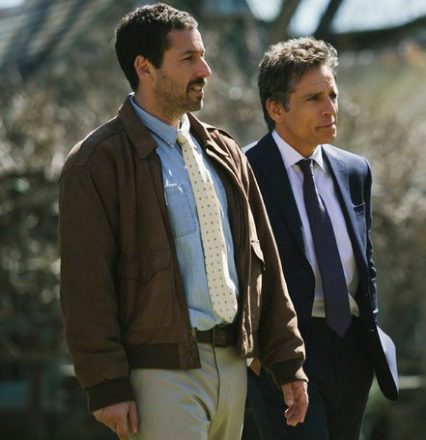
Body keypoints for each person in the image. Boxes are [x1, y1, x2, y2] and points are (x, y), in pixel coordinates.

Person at [58, 4, 308, 439]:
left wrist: (287, 360)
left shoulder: (226, 152)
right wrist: (106, 384)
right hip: (159, 377)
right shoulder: (97, 162)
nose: (205, 70)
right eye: (189, 58)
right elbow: (86, 286)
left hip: (234, 368)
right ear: (145, 68)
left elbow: (263, 260)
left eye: (203, 56)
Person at [244, 37, 399, 439]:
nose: (330, 108)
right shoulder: (244, 172)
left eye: (332, 95)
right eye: (314, 98)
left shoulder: (355, 170)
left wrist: (370, 334)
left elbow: (364, 263)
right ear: (276, 109)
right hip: (284, 352)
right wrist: (262, 356)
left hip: (351, 351)